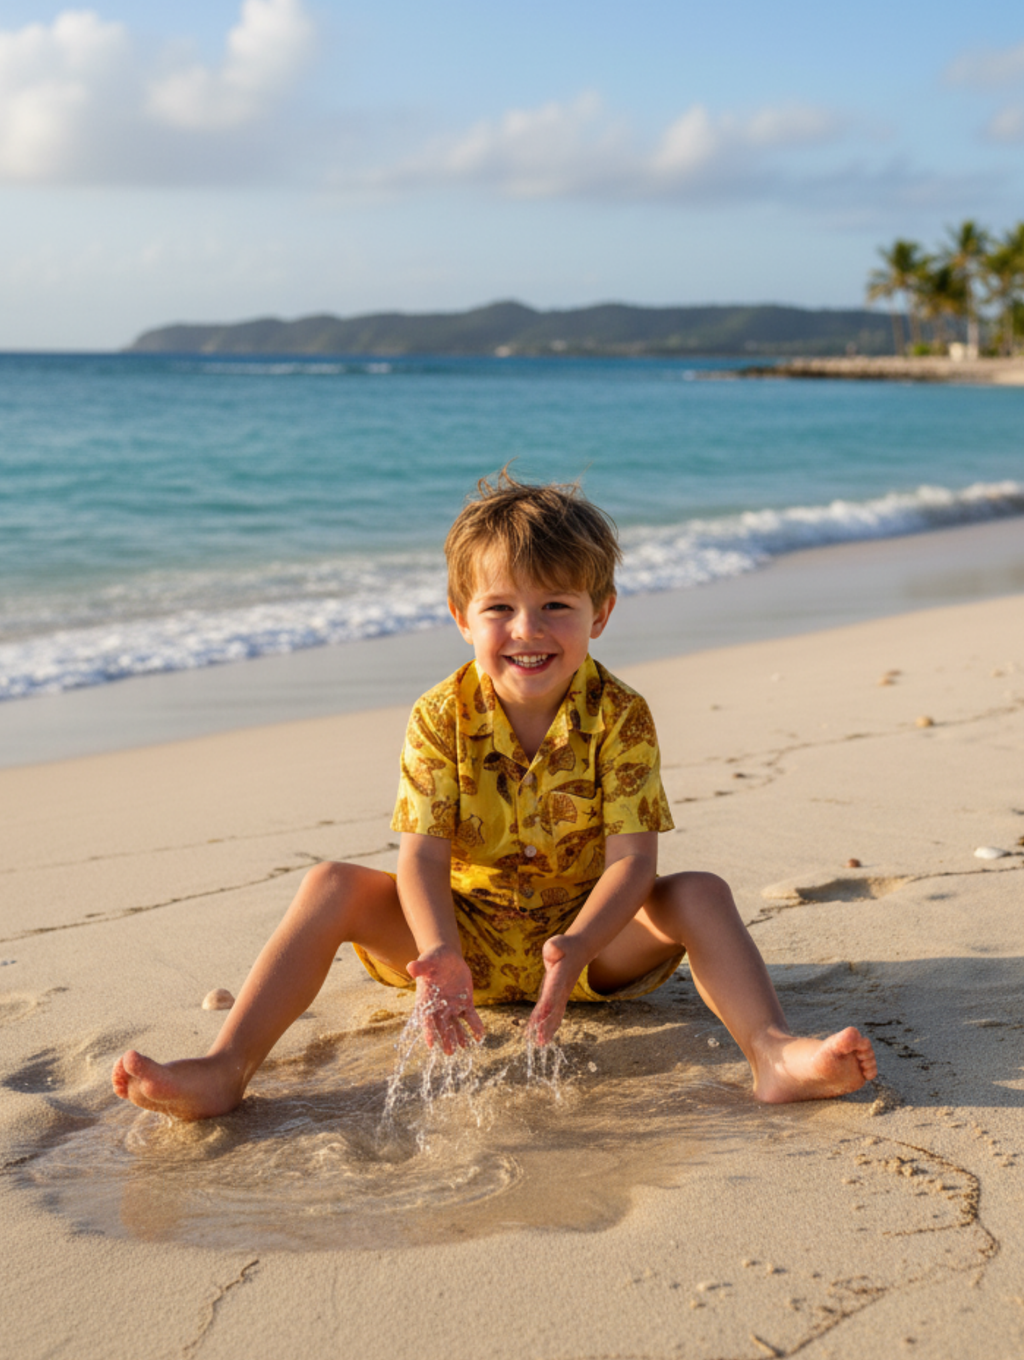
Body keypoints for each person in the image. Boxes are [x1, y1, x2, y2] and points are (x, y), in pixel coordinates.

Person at [113, 471, 876, 1120]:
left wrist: (579, 945)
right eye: (500, 608)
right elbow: (421, 857)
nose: (527, 629)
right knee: (331, 884)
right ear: (461, 617)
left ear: (600, 613)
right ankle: (225, 1068)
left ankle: (773, 1054)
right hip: (459, 938)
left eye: (556, 606)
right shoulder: (439, 715)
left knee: (699, 891)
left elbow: (632, 863)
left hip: (588, 944)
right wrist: (439, 949)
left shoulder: (620, 714)